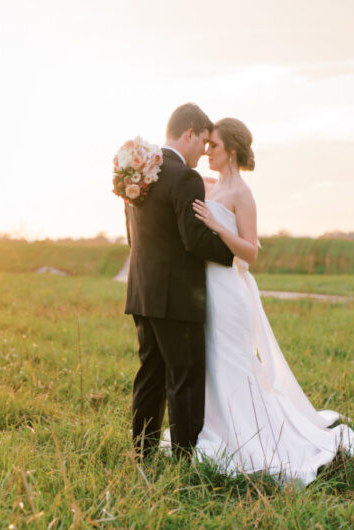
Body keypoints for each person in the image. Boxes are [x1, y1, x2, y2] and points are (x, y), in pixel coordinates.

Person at [184, 117, 354, 486]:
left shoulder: (243, 193)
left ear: (230, 149)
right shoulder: (210, 186)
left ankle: (256, 437)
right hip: (207, 289)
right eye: (206, 144)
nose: (207, 151)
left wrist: (218, 227)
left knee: (235, 362)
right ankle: (219, 428)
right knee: (213, 361)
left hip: (230, 290)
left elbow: (252, 251)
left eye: (213, 145)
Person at [124, 103, 235, 460]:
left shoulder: (139, 171)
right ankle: (187, 458)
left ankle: (142, 453)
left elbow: (133, 236)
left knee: (151, 375)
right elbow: (195, 239)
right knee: (185, 378)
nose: (203, 153)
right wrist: (235, 250)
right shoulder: (183, 177)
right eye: (203, 142)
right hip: (176, 299)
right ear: (189, 133)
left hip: (143, 293)